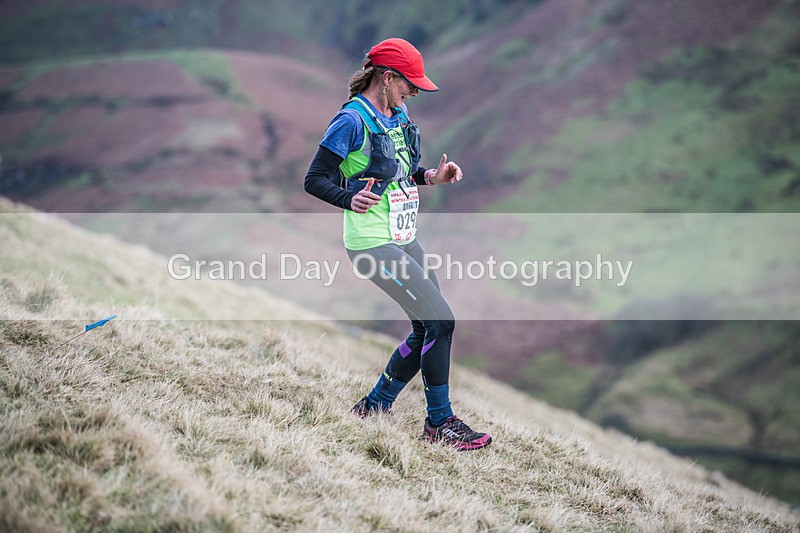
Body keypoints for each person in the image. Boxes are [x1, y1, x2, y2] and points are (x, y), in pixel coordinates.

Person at [304, 38, 491, 451]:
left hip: (404, 238)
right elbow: (314, 179)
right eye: (411, 84)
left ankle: (375, 406)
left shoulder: (398, 112)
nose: (415, 92)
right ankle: (440, 422)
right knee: (441, 322)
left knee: (427, 325)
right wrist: (347, 198)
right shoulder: (351, 121)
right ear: (387, 77)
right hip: (372, 244)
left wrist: (432, 178)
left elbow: (400, 172)